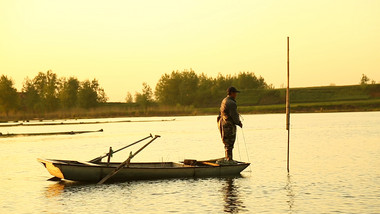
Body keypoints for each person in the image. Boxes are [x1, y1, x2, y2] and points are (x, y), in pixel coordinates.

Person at [217, 87, 243, 162]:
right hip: (228, 125)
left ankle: (228, 158)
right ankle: (229, 160)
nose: (236, 94)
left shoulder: (224, 100)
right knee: (230, 143)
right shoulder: (231, 103)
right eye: (235, 93)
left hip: (223, 123)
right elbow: (234, 115)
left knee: (227, 143)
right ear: (231, 93)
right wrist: (238, 123)